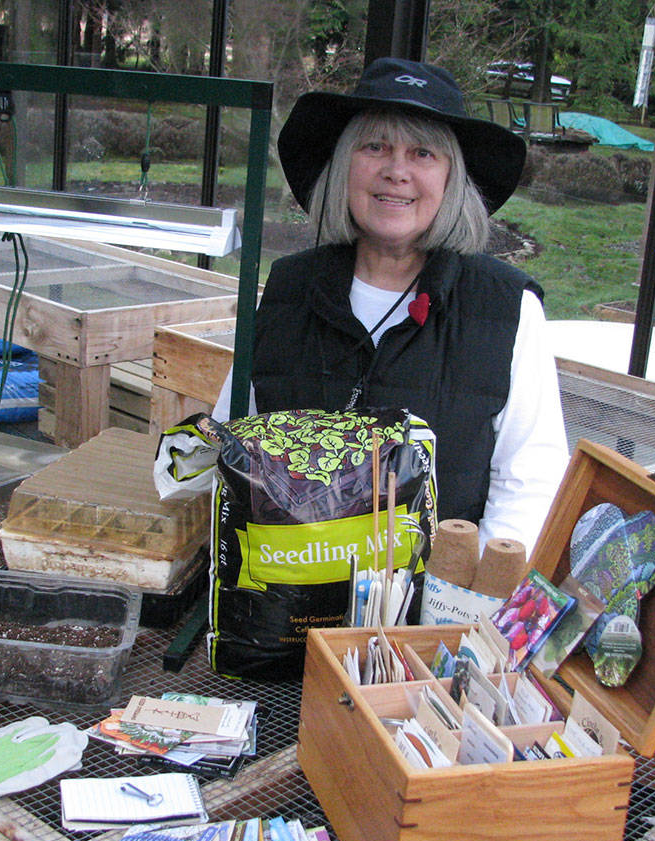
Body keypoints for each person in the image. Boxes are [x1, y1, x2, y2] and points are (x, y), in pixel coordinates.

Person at [213, 57, 568, 555]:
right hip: (289, 583)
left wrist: (464, 589)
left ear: (451, 179)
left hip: (435, 597)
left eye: (422, 153)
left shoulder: (507, 308)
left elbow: (530, 480)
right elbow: (231, 439)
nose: (396, 171)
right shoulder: (289, 289)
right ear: (344, 166)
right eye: (375, 147)